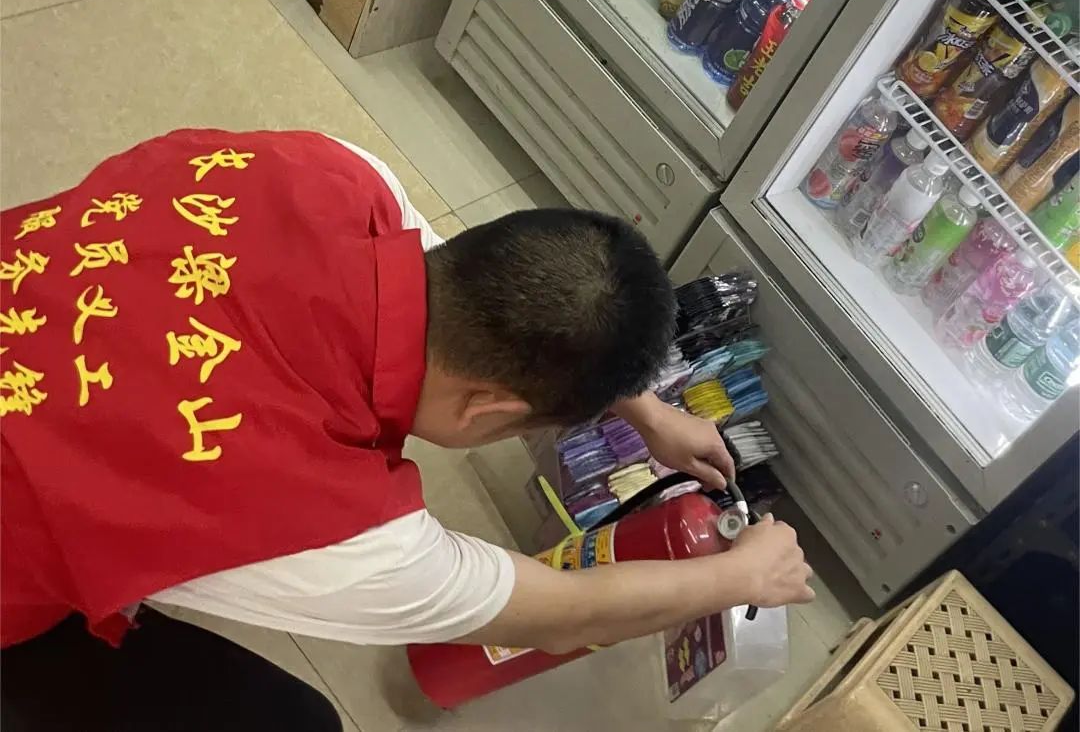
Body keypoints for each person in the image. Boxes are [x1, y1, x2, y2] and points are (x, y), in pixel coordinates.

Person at [0, 130, 814, 731]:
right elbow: (567, 612)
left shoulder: (340, 171)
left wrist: (647, 408)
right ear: (487, 411)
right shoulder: (328, 525)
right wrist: (741, 577)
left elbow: (467, 275)